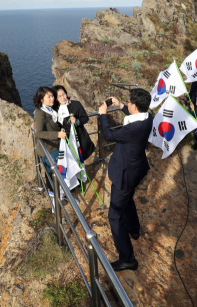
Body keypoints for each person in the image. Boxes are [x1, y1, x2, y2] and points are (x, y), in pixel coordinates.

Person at [98, 88, 153, 272]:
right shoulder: (148, 117)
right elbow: (134, 113)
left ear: (135, 106)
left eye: (129, 102)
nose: (127, 103)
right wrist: (121, 106)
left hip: (125, 173)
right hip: (136, 169)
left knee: (114, 215)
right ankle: (134, 229)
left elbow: (109, 135)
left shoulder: (132, 128)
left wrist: (102, 114)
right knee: (128, 197)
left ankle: (128, 258)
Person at [33, 86, 66, 194]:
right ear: (41, 100)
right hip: (50, 149)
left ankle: (55, 193)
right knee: (55, 174)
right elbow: (38, 133)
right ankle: (57, 195)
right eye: (49, 96)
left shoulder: (50, 110)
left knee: (53, 174)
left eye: (52, 95)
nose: (52, 98)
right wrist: (57, 134)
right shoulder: (40, 113)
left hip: (53, 147)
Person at [52, 85, 96, 161]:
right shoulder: (54, 110)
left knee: (82, 157)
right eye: (59, 96)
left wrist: (77, 121)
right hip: (66, 140)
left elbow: (85, 118)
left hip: (80, 137)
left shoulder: (76, 104)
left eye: (64, 94)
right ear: (56, 99)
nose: (63, 97)